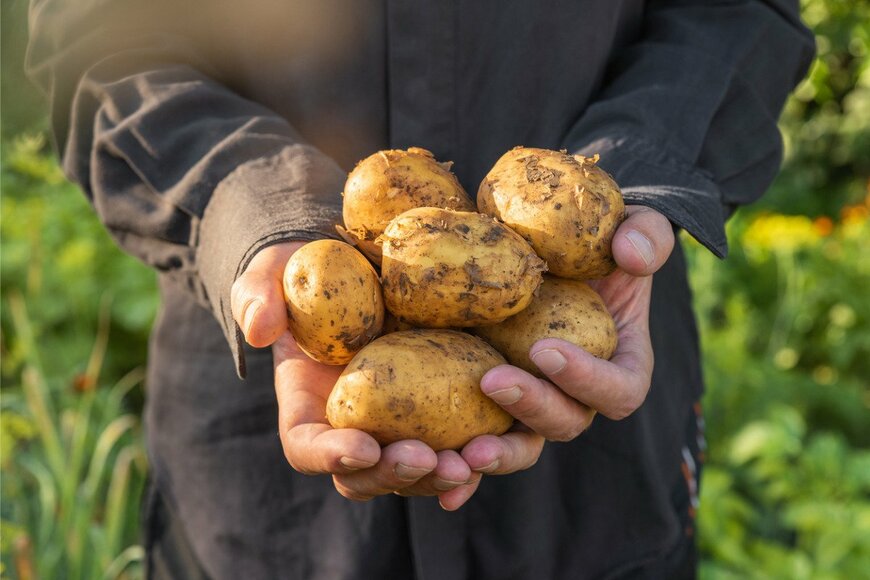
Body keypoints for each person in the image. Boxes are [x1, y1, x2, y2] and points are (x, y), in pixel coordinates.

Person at [27, 1, 814, 577]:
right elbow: (94, 40)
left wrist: (638, 164)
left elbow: (745, 12)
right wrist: (255, 208)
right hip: (260, 473)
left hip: (592, 480)